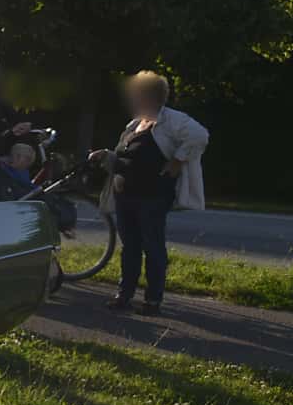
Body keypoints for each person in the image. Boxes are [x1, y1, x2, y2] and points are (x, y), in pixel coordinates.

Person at [89, 71, 210, 316]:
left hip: (152, 195)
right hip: (126, 195)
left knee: (152, 246)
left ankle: (152, 300)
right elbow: (125, 157)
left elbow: (200, 136)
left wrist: (178, 160)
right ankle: (124, 294)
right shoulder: (135, 123)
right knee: (130, 246)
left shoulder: (172, 120)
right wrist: (106, 156)